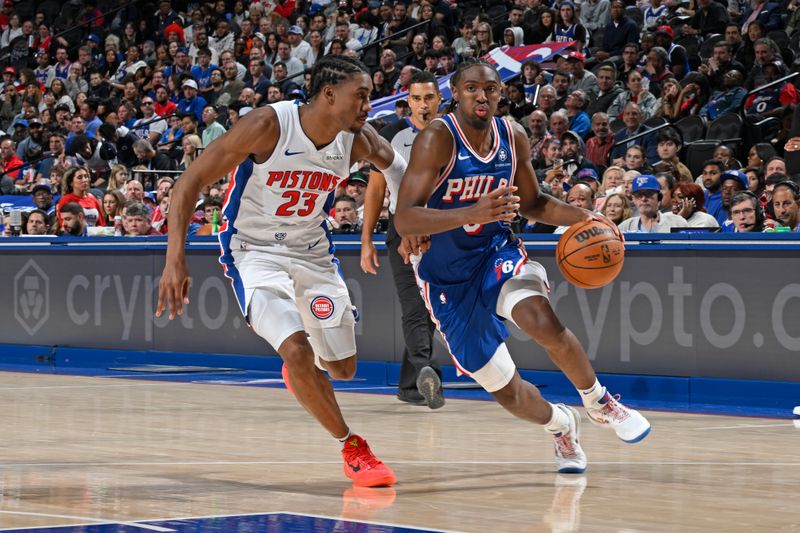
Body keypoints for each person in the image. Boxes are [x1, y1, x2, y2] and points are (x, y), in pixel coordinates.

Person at [157, 56, 408, 488]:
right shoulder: (268, 124)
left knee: (343, 369)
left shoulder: (358, 140)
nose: (369, 105)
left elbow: (398, 170)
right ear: (329, 94)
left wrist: (408, 223)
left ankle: (305, 368)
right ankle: (353, 447)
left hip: (312, 253)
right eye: (361, 96)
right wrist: (174, 259)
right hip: (254, 253)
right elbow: (189, 183)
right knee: (295, 350)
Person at [395, 59, 651, 475]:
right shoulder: (436, 139)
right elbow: (404, 219)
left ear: (501, 93)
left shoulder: (511, 136)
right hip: (445, 277)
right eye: (473, 89)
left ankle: (600, 401)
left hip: (495, 251)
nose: (482, 96)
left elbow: (533, 203)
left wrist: (585, 218)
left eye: (491, 89)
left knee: (540, 319)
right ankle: (562, 424)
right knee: (508, 392)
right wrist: (469, 211)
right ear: (455, 94)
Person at [362, 70, 442, 408]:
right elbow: (376, 189)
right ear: (407, 101)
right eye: (416, 98)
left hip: (442, 227)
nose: (423, 105)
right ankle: (426, 369)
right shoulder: (391, 134)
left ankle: (411, 387)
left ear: (440, 100)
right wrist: (367, 240)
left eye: (429, 98)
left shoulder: (453, 133)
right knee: (413, 303)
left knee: (431, 309)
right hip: (403, 227)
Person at [618, 175, 688, 232]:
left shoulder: (677, 222)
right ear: (633, 199)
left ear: (659, 197)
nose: (643, 199)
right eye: (638, 195)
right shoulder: (625, 227)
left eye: (648, 194)